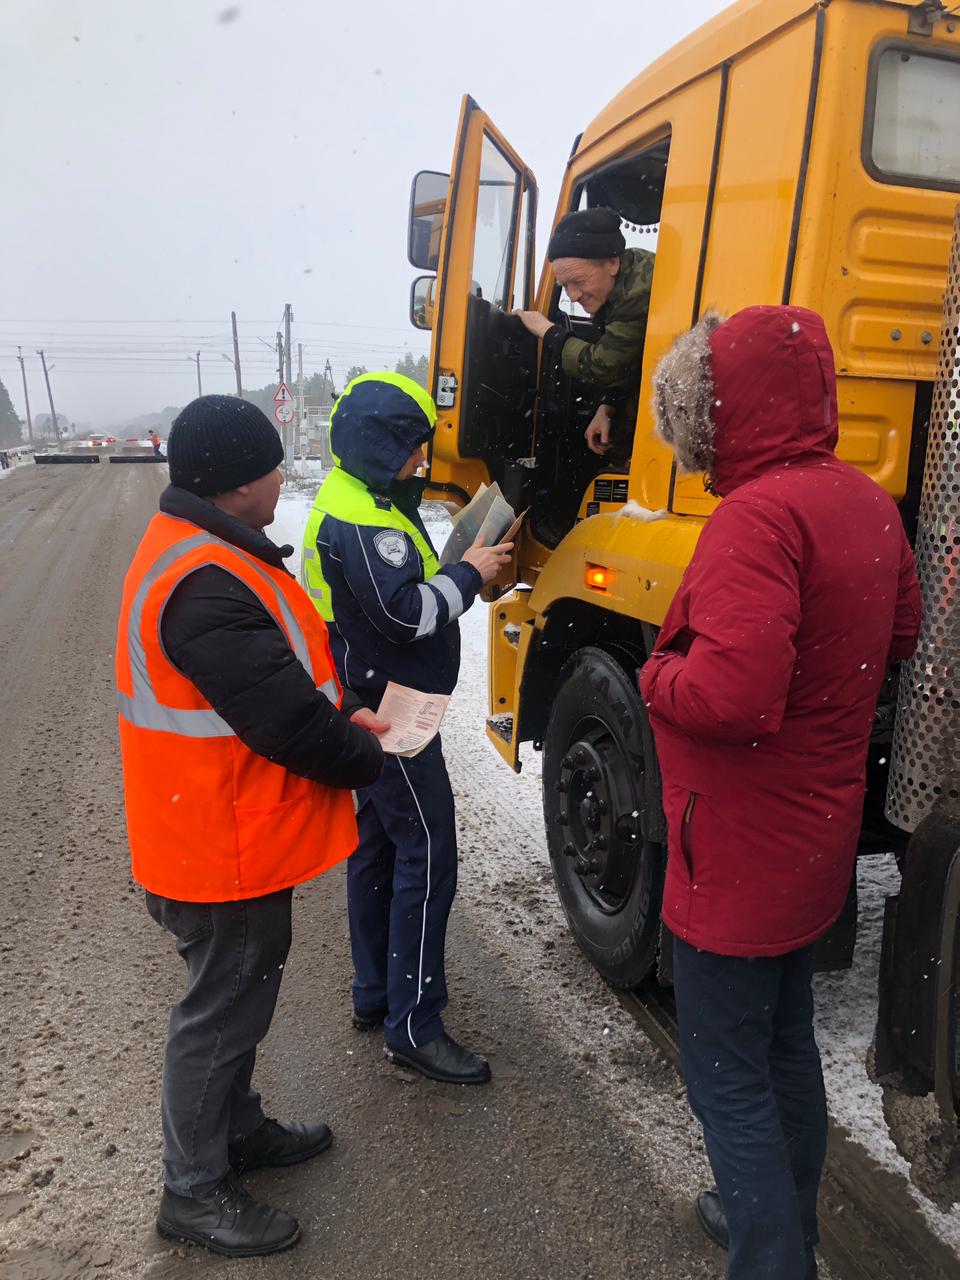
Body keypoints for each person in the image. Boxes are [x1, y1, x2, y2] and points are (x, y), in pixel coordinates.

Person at [639, 306, 921, 1280]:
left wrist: (654, 673)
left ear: (719, 413)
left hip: (735, 851)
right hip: (813, 842)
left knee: (724, 1074)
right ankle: (782, 1223)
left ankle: (772, 1256)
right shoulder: (863, 497)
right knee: (784, 1045)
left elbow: (731, 693)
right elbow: (902, 632)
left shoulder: (756, 516)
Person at [115, 394, 385, 1258]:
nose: (281, 479)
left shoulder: (205, 551)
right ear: (237, 483)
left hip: (215, 833)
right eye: (272, 467)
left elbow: (278, 693)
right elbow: (286, 723)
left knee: (236, 1003)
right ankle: (191, 1191)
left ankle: (236, 1133)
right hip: (213, 847)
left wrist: (345, 724)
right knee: (222, 1012)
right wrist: (369, 755)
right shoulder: (203, 581)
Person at [301, 372, 512, 1085]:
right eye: (413, 448)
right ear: (380, 444)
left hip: (370, 698)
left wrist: (463, 567)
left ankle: (376, 993)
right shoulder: (362, 517)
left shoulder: (365, 496)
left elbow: (400, 592)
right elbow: (402, 614)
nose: (422, 461)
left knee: (381, 848)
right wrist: (470, 575)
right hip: (389, 711)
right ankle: (414, 1025)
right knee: (426, 853)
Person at [514, 205, 653, 467]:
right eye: (564, 286)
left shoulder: (638, 290)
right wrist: (607, 407)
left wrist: (549, 332)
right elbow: (632, 361)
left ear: (612, 262)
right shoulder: (618, 284)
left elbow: (604, 365)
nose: (574, 296)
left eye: (579, 281)